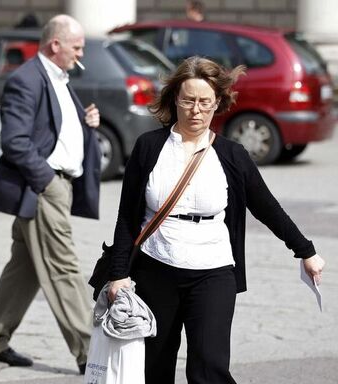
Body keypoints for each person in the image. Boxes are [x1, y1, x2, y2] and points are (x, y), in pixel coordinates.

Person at [106, 56, 325, 383]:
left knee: (209, 367)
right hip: (156, 267)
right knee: (153, 367)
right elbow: (128, 216)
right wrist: (119, 274)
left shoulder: (232, 155)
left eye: (205, 102)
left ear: (218, 103)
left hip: (213, 271)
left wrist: (305, 251)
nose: (196, 110)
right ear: (174, 100)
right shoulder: (149, 147)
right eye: (189, 100)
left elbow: (266, 207)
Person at [0, 14, 101, 375]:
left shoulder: (59, 77)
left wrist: (86, 120)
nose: (81, 53)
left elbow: (54, 128)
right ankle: (91, 353)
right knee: (64, 267)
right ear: (55, 44)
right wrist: (46, 180)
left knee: (24, 268)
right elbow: (14, 141)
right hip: (46, 188)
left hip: (57, 184)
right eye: (77, 46)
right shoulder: (26, 79)